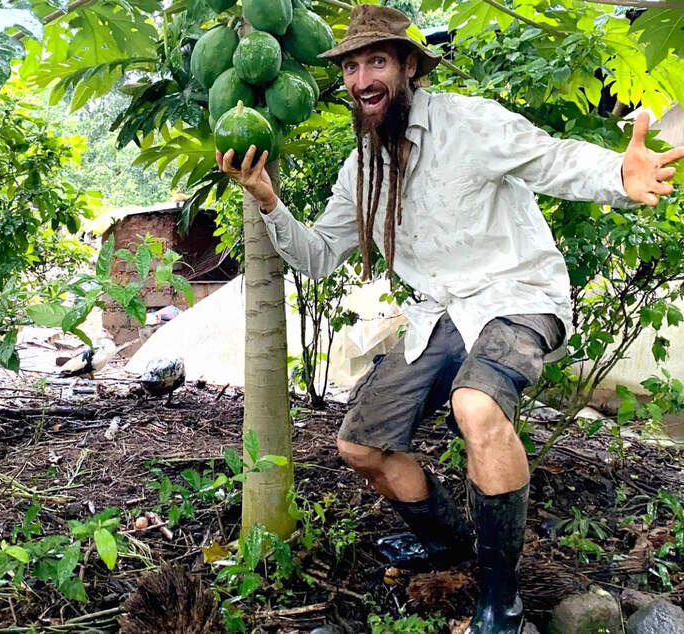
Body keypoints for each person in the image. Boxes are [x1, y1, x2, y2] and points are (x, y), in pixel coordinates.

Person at [216, 5, 684, 634]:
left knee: (477, 406)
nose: (361, 79)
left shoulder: (469, 123)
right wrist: (268, 199)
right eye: (351, 67)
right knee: (361, 446)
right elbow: (319, 257)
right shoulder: (361, 169)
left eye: (376, 61)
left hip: (516, 294)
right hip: (439, 313)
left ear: (409, 66)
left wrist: (617, 174)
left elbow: (551, 160)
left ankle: (500, 603)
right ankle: (452, 543)